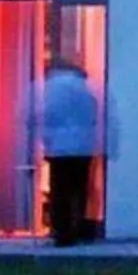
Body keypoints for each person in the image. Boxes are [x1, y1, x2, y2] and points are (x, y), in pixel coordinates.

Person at [34, 58, 102, 245]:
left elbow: (46, 117)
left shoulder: (55, 95)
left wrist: (45, 138)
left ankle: (62, 231)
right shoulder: (88, 95)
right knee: (79, 189)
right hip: (83, 148)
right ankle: (76, 228)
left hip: (60, 149)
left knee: (60, 190)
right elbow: (94, 119)